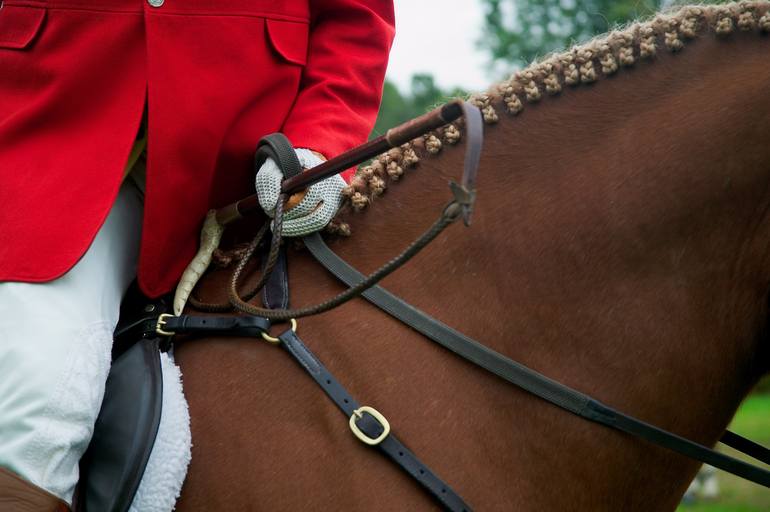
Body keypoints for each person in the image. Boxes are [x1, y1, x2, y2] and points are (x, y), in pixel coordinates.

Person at [0, 1, 395, 510]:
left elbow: (356, 19)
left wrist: (320, 143)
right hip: (53, 127)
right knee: (38, 401)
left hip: (251, 168)